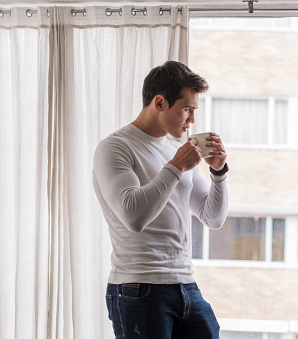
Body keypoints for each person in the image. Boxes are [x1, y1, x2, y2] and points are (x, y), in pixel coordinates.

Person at [93, 61, 228, 339]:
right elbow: (134, 216)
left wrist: (218, 172)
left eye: (194, 110)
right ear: (159, 103)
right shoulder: (115, 147)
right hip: (138, 287)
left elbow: (212, 217)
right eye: (187, 109)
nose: (192, 120)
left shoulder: (177, 149)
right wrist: (176, 167)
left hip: (186, 285)